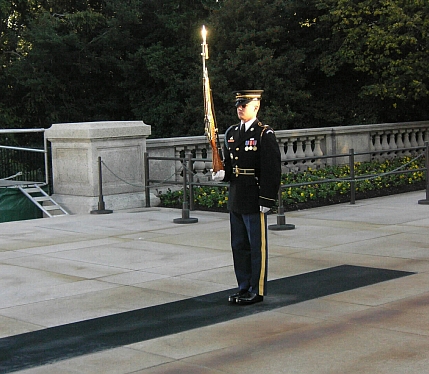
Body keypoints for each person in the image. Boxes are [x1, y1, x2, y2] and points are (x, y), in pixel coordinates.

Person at [212, 90, 281, 305]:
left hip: (254, 196)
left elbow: (271, 169)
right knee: (239, 246)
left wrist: (267, 200)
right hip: (237, 197)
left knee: (256, 248)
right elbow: (232, 166)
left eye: (244, 104)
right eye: (238, 105)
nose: (240, 108)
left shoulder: (264, 134)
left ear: (256, 107)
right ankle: (243, 286)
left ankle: (257, 289)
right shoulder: (232, 133)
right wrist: (224, 174)